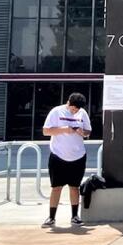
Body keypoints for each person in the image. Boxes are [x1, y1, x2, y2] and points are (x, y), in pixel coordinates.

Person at [41, 92, 92, 227]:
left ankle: (75, 216)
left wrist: (83, 132)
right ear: (68, 103)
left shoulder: (83, 113)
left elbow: (88, 131)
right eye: (73, 108)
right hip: (58, 155)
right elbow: (46, 131)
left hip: (78, 156)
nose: (75, 111)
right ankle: (51, 217)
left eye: (77, 110)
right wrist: (63, 129)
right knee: (56, 187)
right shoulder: (56, 112)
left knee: (74, 187)